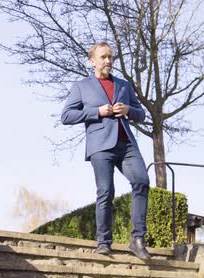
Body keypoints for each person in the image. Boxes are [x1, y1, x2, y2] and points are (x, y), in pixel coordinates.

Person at [61, 42, 151, 259]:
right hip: (100, 146)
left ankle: (137, 239)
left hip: (126, 144)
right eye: (103, 57)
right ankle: (103, 242)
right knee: (106, 192)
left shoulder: (123, 85)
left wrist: (129, 109)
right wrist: (96, 112)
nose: (108, 61)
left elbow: (142, 114)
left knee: (142, 181)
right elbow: (66, 116)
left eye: (110, 57)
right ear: (93, 61)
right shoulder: (81, 87)